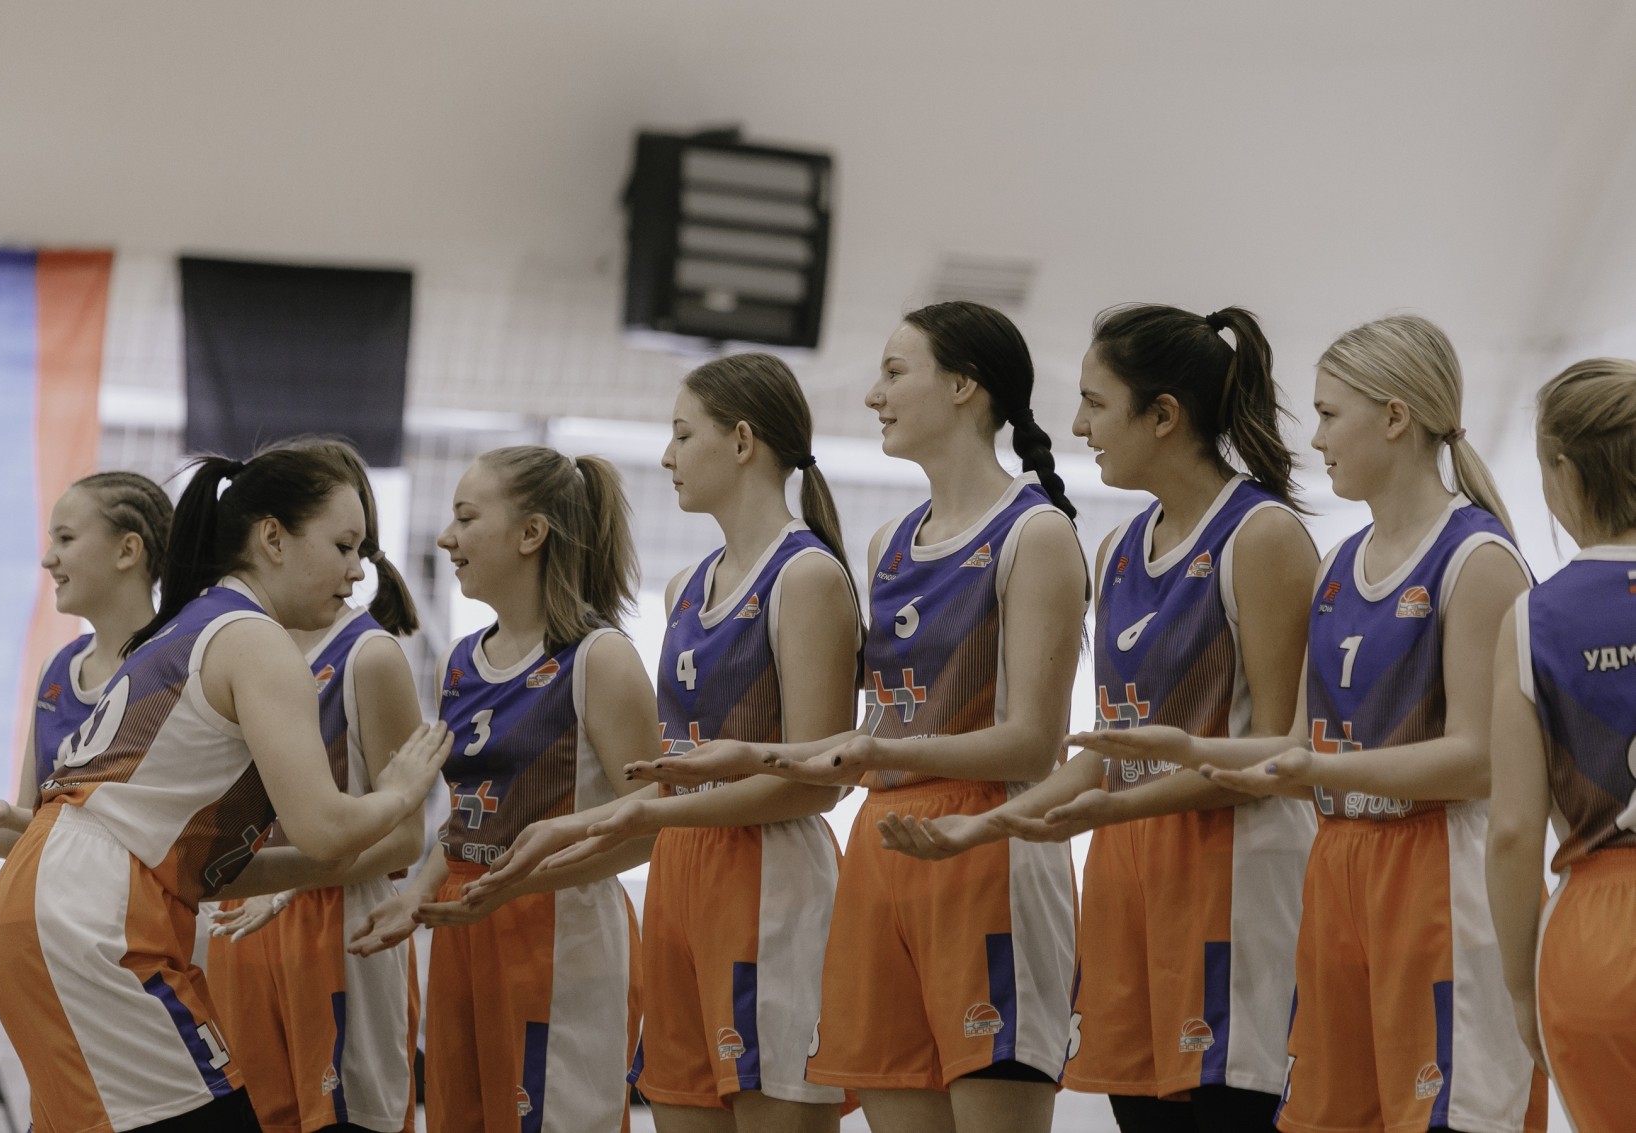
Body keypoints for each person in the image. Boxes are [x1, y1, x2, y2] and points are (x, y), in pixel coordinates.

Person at [1075, 314, 1546, 1133]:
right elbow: (1294, 744)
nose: (1315, 437)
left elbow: (1478, 760)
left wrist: (1319, 770)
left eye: (1330, 414)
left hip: (1438, 876)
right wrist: (1192, 746)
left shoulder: (1478, 559)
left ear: (1395, 417)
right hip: (1340, 875)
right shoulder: (1339, 565)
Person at [624, 302, 1087, 1133]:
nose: (873, 394)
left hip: (985, 842)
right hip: (885, 841)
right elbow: (862, 738)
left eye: (894, 372)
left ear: (963, 386)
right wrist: (758, 755)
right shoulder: (887, 545)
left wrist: (841, 754)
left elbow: (1034, 743)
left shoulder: (1036, 532)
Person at [879, 305, 1318, 1132]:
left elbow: (1282, 753)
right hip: (1128, 876)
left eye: (1096, 403)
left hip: (1235, 882)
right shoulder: (1116, 548)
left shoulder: (1262, 535)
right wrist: (987, 827)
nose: (1078, 426)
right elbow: (1107, 751)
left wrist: (1112, 804)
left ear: (1163, 415)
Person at [0, 446, 450, 1133]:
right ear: (272, 538)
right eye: (343, 545)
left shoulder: (188, 624)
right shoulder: (254, 640)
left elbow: (211, 865)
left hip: (46, 904)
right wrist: (401, 791)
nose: (358, 570)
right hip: (95, 916)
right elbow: (324, 828)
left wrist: (293, 875)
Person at [515, 353, 861, 1133]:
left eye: (681, 433)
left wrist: (652, 814)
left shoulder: (806, 575)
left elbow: (819, 778)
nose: (667, 455)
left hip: (766, 877)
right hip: (679, 875)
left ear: (741, 440)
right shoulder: (683, 587)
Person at [347, 446, 660, 1133]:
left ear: (530, 533)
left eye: (466, 517)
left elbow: (651, 825)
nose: (446, 537)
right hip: (464, 925)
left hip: (561, 930)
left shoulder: (600, 657)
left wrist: (522, 882)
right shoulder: (459, 663)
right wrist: (416, 893)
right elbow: (468, 819)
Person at [203, 440, 426, 1133]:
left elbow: (407, 837)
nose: (348, 563)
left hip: (338, 924)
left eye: (351, 544)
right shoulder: (234, 641)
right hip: (237, 922)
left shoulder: (370, 654)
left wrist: (286, 884)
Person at [1487, 358, 1636, 1133]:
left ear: (1565, 472)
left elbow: (1513, 831)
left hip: (1598, 935)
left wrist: (1520, 986)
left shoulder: (1534, 618)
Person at [0, 471, 171, 854]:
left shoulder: (179, 669)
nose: (48, 559)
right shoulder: (57, 668)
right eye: (51, 541)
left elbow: (159, 838)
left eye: (66, 539)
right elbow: (24, 833)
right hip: (45, 892)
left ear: (127, 551)